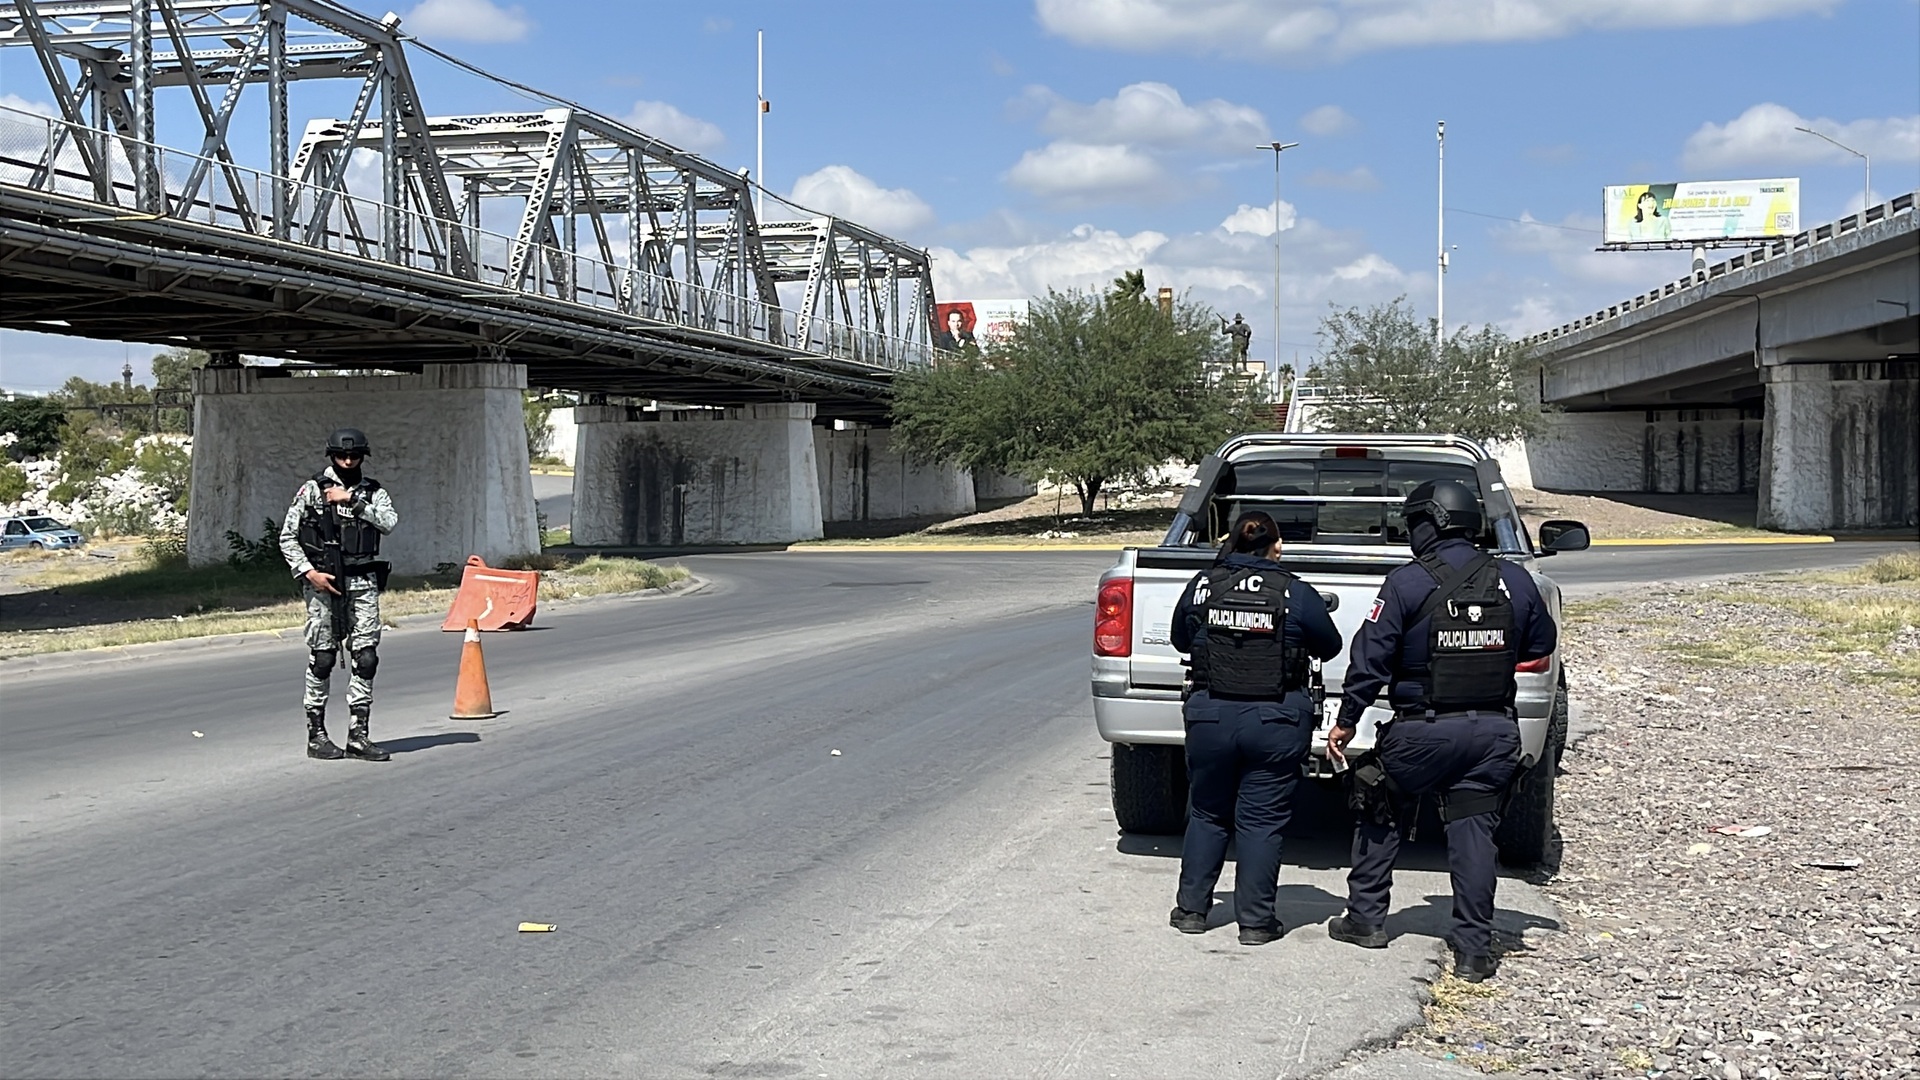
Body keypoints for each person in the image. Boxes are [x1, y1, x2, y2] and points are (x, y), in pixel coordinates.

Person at [1324, 479, 1555, 981]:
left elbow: (1370, 661)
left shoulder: (1406, 583)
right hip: (1492, 731)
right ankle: (1473, 950)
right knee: (1474, 831)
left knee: (1377, 799)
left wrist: (1346, 721)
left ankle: (1366, 919)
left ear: (1433, 522)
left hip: (1421, 733)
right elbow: (1540, 644)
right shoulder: (1516, 581)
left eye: (1413, 523)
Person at [1168, 511, 1342, 945]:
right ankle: (1256, 923)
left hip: (1211, 717)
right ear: (1276, 546)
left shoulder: (1202, 585)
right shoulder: (1294, 592)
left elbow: (1180, 638)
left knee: (1207, 812)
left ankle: (1191, 911)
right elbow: (1330, 645)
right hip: (1275, 720)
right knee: (1261, 821)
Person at [279, 427, 399, 761]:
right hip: (324, 583)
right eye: (342, 456)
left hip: (363, 582)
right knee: (323, 658)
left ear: (363, 457)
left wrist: (352, 501)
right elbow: (287, 537)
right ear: (332, 456)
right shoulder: (312, 490)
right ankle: (316, 735)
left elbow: (388, 522)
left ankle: (358, 735)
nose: (348, 461)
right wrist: (309, 573)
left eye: (354, 456)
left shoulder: (372, 492)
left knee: (366, 657)